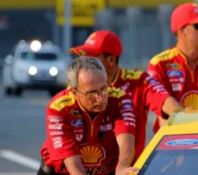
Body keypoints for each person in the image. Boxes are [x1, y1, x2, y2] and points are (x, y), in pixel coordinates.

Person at [71, 30, 183, 162]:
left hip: (127, 174)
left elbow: (166, 102)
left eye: (90, 59)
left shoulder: (138, 81)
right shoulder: (78, 87)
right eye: (82, 58)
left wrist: (184, 116)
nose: (84, 64)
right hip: (88, 170)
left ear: (111, 60)